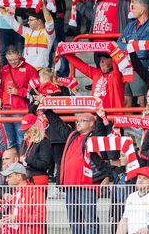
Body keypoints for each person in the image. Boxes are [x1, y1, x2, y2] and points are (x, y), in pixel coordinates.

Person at [37, 94, 112, 234]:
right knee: (74, 220)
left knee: (90, 219)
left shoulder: (95, 137)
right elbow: (58, 124)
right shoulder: (72, 135)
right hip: (70, 185)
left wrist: (100, 113)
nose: (78, 123)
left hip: (87, 186)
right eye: (78, 120)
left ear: (91, 123)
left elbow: (101, 127)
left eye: (82, 120)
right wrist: (47, 109)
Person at [0, 46, 38, 149]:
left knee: (21, 140)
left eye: (15, 59)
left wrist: (18, 92)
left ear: (19, 55)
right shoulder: (5, 68)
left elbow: (35, 92)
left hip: (20, 109)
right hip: (5, 109)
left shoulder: (30, 69)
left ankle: (22, 159)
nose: (13, 62)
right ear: (6, 58)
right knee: (9, 141)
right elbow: (2, 87)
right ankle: (12, 159)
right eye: (10, 60)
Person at [116, 167, 149, 234]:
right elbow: (125, 220)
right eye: (139, 178)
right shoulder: (131, 197)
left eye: (144, 179)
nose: (140, 181)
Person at [0, 163, 43, 234]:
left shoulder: (36, 192)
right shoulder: (15, 193)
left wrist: (16, 218)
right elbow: (13, 220)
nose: (6, 180)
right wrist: (5, 223)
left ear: (19, 176)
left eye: (9, 176)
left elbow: (41, 218)